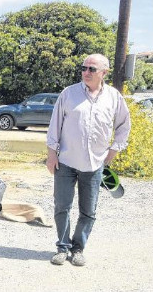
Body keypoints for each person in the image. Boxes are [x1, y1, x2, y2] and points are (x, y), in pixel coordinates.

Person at [46, 53, 131, 267]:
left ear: (104, 72)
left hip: (95, 165)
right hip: (65, 161)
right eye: (84, 68)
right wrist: (51, 154)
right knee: (62, 206)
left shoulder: (114, 97)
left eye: (92, 69)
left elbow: (123, 126)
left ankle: (78, 249)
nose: (86, 72)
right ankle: (62, 247)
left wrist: (113, 151)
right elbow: (54, 125)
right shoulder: (69, 94)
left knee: (88, 211)